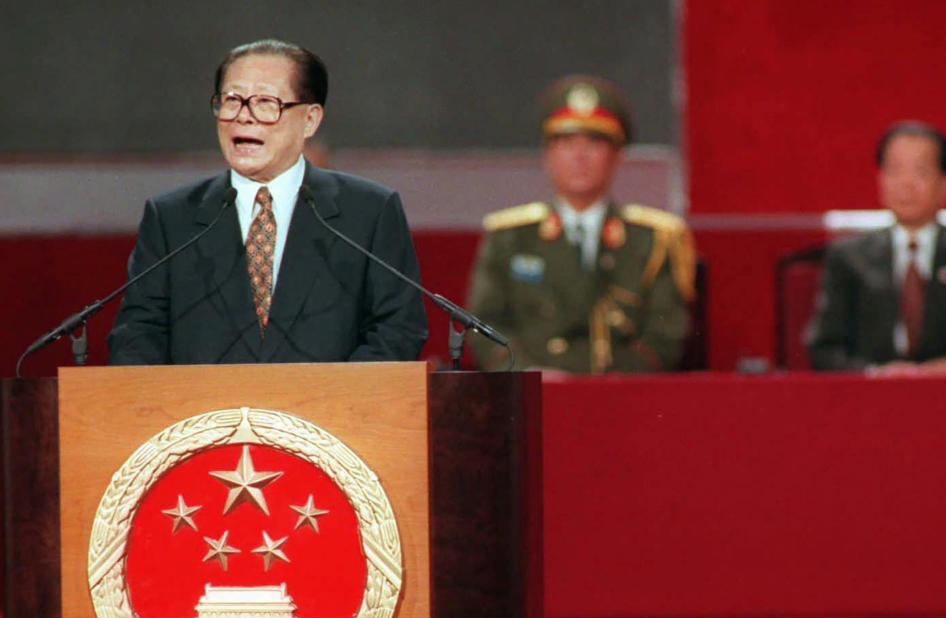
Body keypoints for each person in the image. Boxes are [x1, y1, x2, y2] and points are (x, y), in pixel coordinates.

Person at [108, 39, 427, 365]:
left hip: (330, 412)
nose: (243, 117)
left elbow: (397, 330)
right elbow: (137, 336)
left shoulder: (369, 212)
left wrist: (329, 404)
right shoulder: (172, 218)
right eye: (232, 100)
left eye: (265, 102)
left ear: (310, 120)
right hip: (205, 415)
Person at [466, 75, 694, 372]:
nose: (579, 156)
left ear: (617, 155)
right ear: (547, 155)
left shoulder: (653, 240)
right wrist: (528, 375)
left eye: (594, 142)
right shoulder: (509, 237)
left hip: (620, 400)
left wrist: (599, 387)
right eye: (566, 142)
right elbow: (484, 325)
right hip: (532, 398)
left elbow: (666, 336)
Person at [804, 121, 946, 374]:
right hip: (869, 402)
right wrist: (873, 373)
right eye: (894, 171)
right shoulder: (847, 257)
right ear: (880, 180)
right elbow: (824, 349)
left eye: (920, 172)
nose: (906, 183)